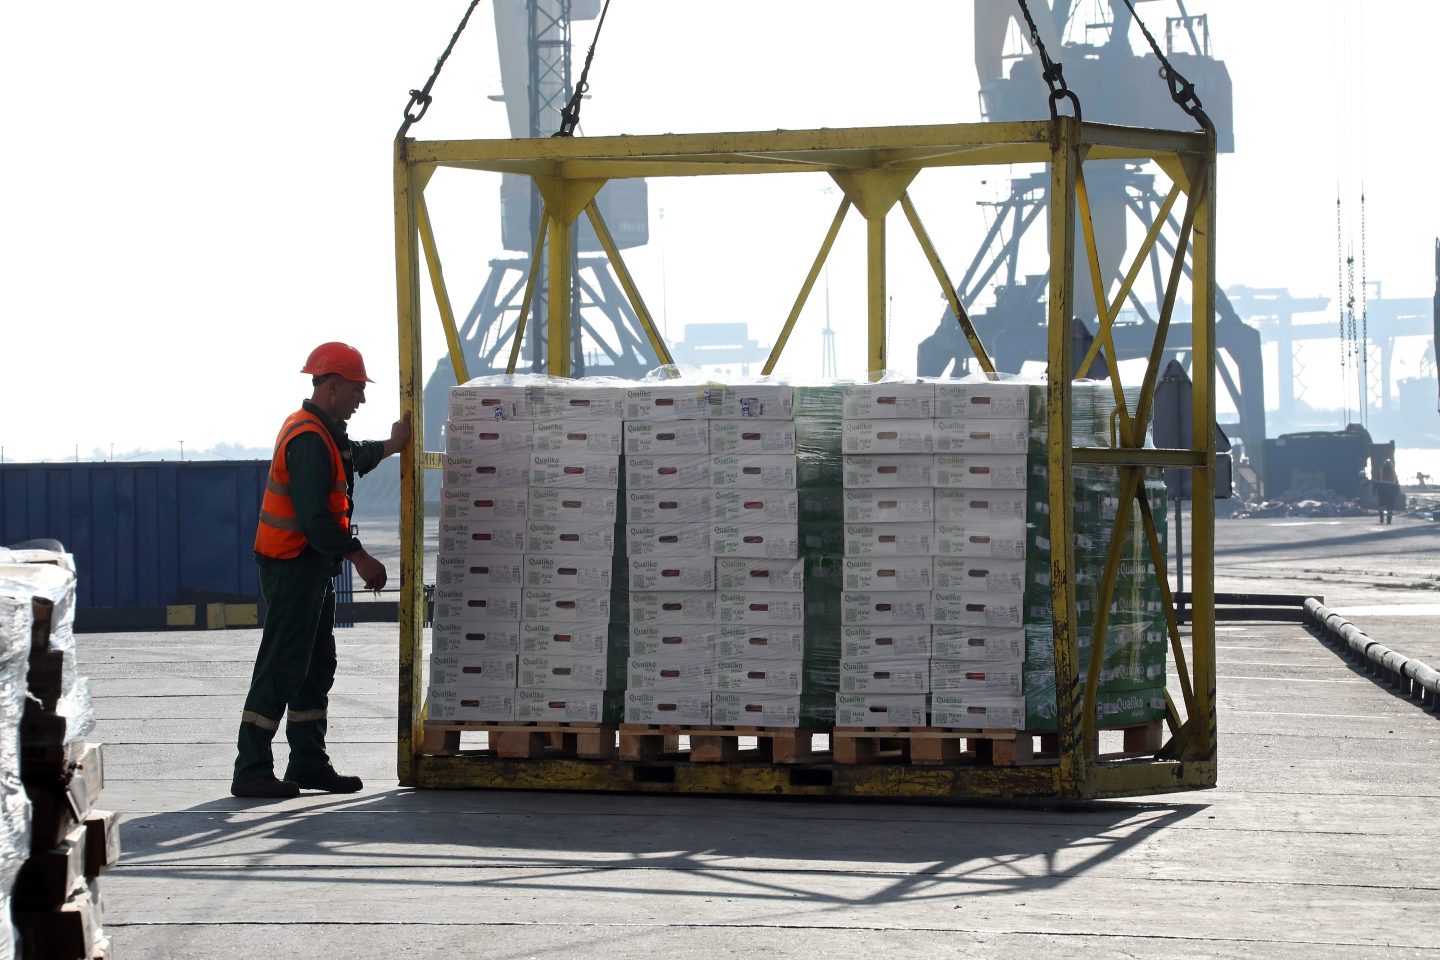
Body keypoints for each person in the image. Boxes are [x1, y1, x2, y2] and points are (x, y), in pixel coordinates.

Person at [231, 342, 410, 798]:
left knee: (314, 666)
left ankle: (308, 762)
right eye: (356, 389)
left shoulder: (325, 433)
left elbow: (353, 456)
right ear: (332, 386)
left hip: (310, 570)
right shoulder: (309, 438)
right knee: (282, 664)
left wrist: (391, 446)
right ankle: (251, 767)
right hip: (293, 567)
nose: (361, 398)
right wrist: (360, 556)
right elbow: (315, 520)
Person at [1376, 458, 1400, 526]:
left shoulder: (1380, 472)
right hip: (1391, 492)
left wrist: (1374, 489)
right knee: (1390, 507)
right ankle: (1389, 519)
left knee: (1381, 505)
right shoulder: (1394, 474)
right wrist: (1397, 492)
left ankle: (1381, 518)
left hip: (1382, 491)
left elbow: (1376, 482)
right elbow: (1397, 485)